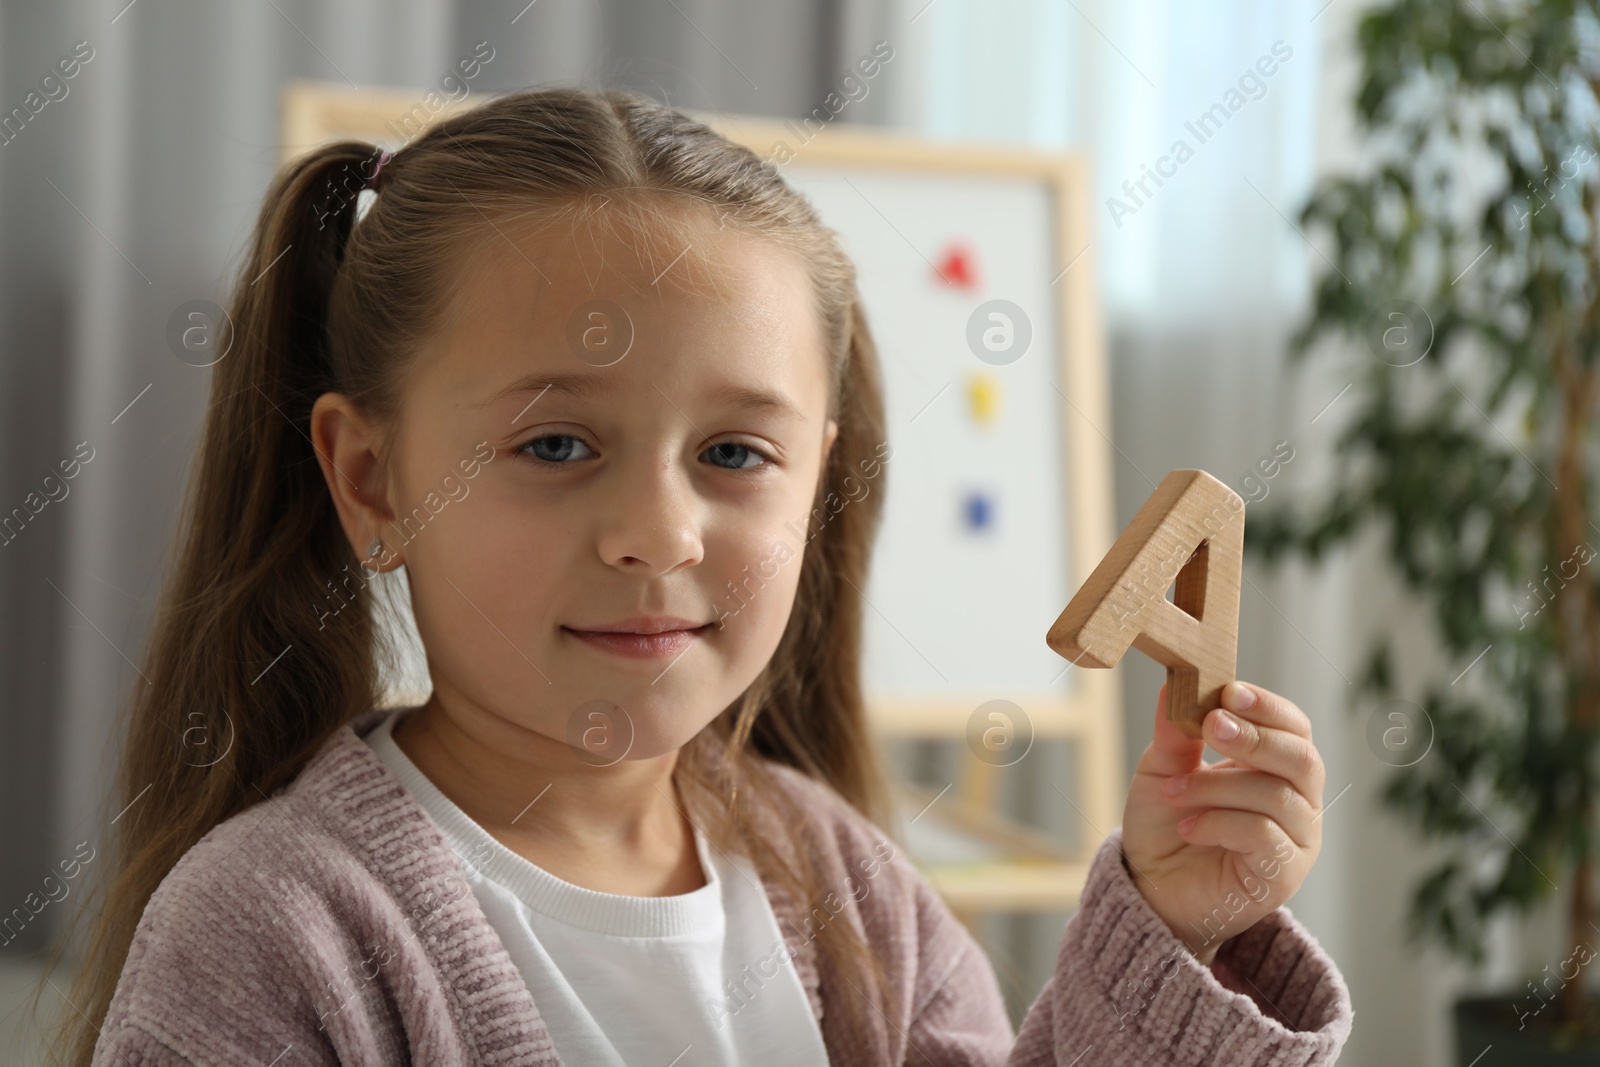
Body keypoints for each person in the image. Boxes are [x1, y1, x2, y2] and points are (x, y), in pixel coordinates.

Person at [65, 87, 1350, 1066]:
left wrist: (1174, 925)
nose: (659, 533)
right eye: (555, 443)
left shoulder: (847, 882)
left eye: (736, 452)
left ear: (817, 477)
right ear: (372, 480)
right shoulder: (267, 930)